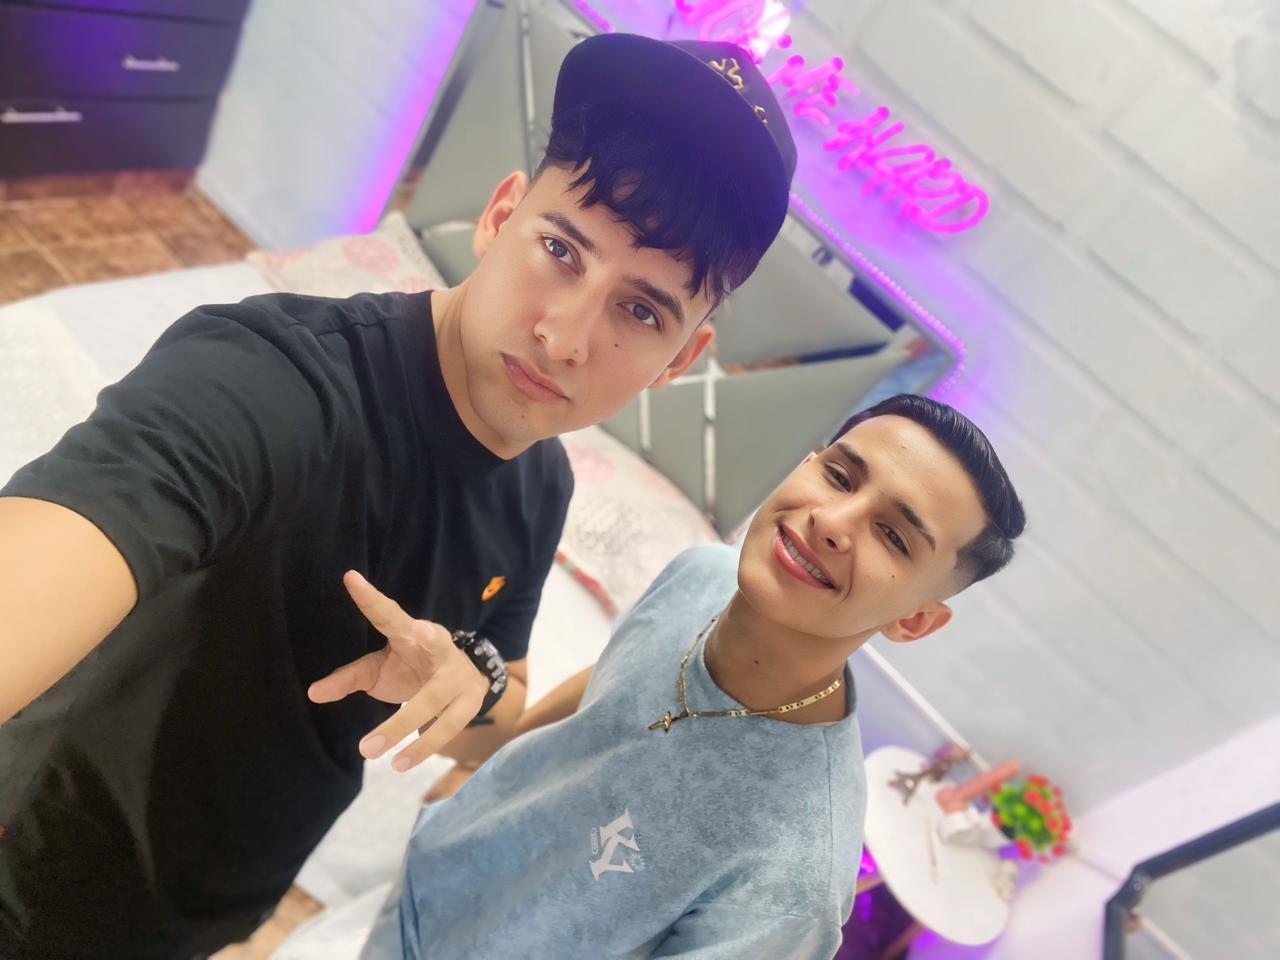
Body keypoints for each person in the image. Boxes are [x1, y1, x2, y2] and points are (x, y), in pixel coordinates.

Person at [0, 33, 797, 958]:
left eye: (642, 310)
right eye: (560, 249)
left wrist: (472, 680)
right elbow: (95, 516)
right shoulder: (276, 381)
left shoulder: (541, 484)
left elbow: (497, 702)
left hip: (208, 909)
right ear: (500, 214)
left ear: (681, 360)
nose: (565, 337)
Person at [304, 393, 1027, 960]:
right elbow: (605, 686)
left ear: (915, 621)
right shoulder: (701, 573)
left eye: (893, 536)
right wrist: (477, 761)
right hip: (425, 887)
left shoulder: (797, 874)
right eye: (838, 475)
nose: (833, 521)